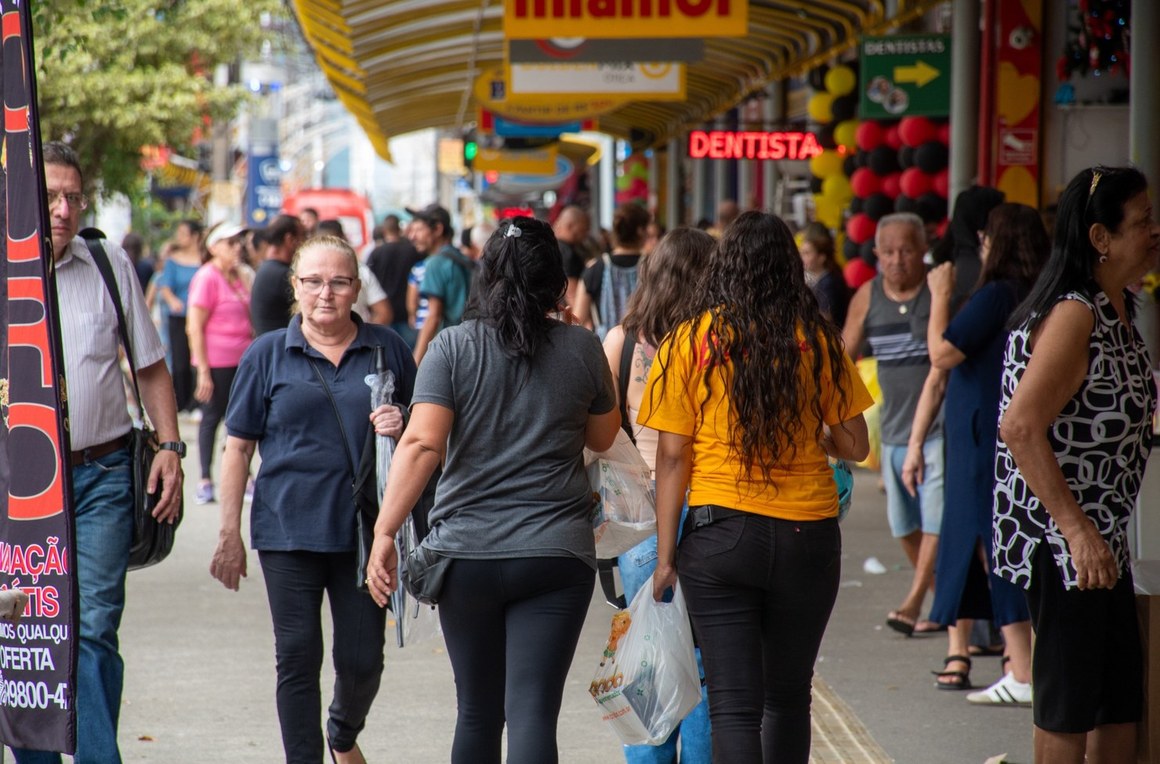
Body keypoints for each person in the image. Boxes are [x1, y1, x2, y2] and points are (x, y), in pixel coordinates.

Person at [364, 218, 619, 764]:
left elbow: (421, 447)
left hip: (467, 554)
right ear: (559, 283)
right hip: (556, 552)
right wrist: (577, 339)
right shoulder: (582, 347)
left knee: (478, 713)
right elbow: (602, 435)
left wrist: (386, 531)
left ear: (486, 279)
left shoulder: (452, 348)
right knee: (532, 712)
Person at [640, 211, 872, 764]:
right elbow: (857, 445)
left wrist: (666, 557)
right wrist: (814, 430)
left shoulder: (689, 341)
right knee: (789, 697)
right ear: (790, 269)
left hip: (720, 540)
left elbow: (673, 457)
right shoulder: (817, 341)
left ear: (723, 268)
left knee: (733, 705)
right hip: (808, 537)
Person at [210, 234, 416, 764]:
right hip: (286, 530)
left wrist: (402, 422)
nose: (326, 293)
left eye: (340, 282)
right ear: (295, 287)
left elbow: (427, 435)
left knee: (362, 660)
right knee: (297, 658)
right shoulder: (267, 354)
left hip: (365, 535)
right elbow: (237, 449)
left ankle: (342, 734)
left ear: (356, 288)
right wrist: (229, 533)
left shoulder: (386, 347)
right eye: (313, 281)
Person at [18, 141, 184, 764]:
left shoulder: (108, 262)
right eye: (50, 195)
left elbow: (150, 366)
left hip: (103, 475)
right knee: (29, 634)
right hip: (22, 489)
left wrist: (169, 445)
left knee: (91, 630)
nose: (62, 208)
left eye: (72, 196)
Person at [992, 166, 1158, 763]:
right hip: (1066, 546)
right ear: (1100, 238)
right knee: (1069, 708)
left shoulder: (1117, 307)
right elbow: (1020, 425)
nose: (1154, 231)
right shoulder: (1074, 314)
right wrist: (1077, 530)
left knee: (1117, 703)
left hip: (1099, 542)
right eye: (1141, 221)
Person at [902, 203, 1049, 696]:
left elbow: (942, 353)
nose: (981, 242)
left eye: (989, 236)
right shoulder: (1040, 292)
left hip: (982, 437)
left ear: (1000, 242)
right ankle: (1017, 661)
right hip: (1006, 432)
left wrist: (939, 295)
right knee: (1000, 543)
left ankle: (1021, 668)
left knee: (993, 543)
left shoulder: (994, 294)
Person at [602, 228, 714, 764]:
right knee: (704, 656)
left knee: (646, 651)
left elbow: (597, 435)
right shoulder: (720, 341)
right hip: (714, 506)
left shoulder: (621, 342)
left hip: (641, 516)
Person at [843, 212, 945, 637]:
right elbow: (842, 356)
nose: (898, 259)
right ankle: (945, 598)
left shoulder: (938, 289)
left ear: (923, 249)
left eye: (906, 249)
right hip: (895, 430)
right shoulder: (867, 296)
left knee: (937, 517)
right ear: (877, 256)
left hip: (939, 426)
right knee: (904, 523)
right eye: (888, 252)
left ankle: (917, 598)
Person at [186, 222, 254, 505]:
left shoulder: (241, 276)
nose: (237, 247)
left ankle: (244, 476)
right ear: (214, 247)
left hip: (242, 360)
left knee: (240, 420)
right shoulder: (206, 277)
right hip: (215, 362)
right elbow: (194, 326)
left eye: (238, 242)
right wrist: (203, 370)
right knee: (211, 418)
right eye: (230, 243)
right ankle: (205, 479)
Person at [409, 203, 475, 366]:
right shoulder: (462, 258)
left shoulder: (435, 263)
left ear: (437, 229)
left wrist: (415, 363)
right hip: (470, 346)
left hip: (449, 350)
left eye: (419, 230)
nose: (413, 237)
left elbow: (433, 316)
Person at [574, 203, 651, 337]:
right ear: (640, 231)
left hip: (603, 349)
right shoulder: (654, 265)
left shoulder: (594, 268)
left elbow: (578, 318)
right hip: (642, 349)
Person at [154, 219, 205, 414]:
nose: (180, 237)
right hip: (179, 316)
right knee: (180, 360)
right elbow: (164, 286)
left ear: (195, 236)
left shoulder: (204, 259)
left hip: (201, 317)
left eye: (184, 233)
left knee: (199, 359)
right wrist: (173, 301)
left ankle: (199, 401)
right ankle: (182, 402)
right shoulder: (173, 260)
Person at [318, 218, 390, 325]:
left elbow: (384, 313)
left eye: (340, 283)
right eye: (313, 282)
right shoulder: (361, 271)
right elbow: (384, 313)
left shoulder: (361, 271)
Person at [367, 213, 422, 347]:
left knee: (388, 357)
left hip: (384, 313)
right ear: (399, 229)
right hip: (407, 313)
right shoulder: (412, 251)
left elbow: (369, 283)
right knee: (410, 358)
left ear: (384, 230)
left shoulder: (376, 253)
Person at [250, 214, 306, 336]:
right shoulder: (281, 275)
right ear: (290, 239)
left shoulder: (268, 269)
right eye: (303, 237)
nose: (305, 243)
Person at [799, 222, 850, 328]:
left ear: (821, 257)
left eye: (807, 253)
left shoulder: (829, 283)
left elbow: (824, 320)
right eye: (802, 253)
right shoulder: (823, 279)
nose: (802, 258)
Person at [552, 205, 593, 307]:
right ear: (570, 226)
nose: (585, 234)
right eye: (583, 229)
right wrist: (582, 320)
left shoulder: (551, 246)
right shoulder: (567, 253)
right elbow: (572, 293)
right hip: (567, 312)